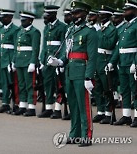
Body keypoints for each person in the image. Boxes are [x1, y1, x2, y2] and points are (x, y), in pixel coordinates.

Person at [48, 0, 98, 146]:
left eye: (77, 12)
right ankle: (74, 134)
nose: (74, 15)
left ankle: (86, 135)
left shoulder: (89, 31)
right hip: (70, 71)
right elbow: (67, 52)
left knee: (84, 106)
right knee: (73, 106)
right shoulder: (70, 30)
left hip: (82, 72)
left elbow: (92, 57)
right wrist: (59, 61)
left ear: (84, 14)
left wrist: (89, 77)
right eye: (73, 12)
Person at [106, 0, 137, 127]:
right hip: (123, 62)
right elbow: (119, 48)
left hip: (132, 62)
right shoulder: (125, 27)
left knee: (135, 90)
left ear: (135, 11)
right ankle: (126, 116)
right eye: (124, 10)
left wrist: (136, 63)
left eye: (127, 10)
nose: (125, 13)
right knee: (124, 90)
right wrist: (112, 62)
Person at [39, 5, 66, 118]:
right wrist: (42, 59)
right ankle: (49, 107)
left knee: (58, 85)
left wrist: (60, 61)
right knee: (48, 84)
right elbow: (44, 45)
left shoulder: (62, 27)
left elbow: (64, 45)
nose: (46, 17)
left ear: (54, 15)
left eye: (48, 15)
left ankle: (58, 109)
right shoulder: (46, 27)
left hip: (56, 59)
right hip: (47, 61)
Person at [11, 11, 41, 116]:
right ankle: (22, 105)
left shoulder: (34, 32)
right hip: (19, 60)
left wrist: (33, 62)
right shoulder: (19, 31)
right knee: (21, 84)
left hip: (28, 61)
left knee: (30, 85)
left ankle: (31, 107)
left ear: (30, 20)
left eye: (24, 20)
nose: (22, 22)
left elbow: (35, 49)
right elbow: (16, 48)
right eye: (21, 20)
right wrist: (14, 61)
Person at [93, 5, 118, 124]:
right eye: (99, 14)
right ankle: (100, 111)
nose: (99, 17)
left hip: (105, 58)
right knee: (97, 88)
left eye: (102, 15)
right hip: (98, 60)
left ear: (108, 16)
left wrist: (100, 34)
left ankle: (109, 113)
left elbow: (109, 44)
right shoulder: (100, 29)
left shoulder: (112, 30)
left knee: (107, 88)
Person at [0, 9, 20, 113]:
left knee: (13, 83)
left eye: (4, 17)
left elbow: (17, 47)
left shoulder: (15, 30)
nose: (2, 19)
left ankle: (16, 104)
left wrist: (13, 61)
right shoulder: (2, 30)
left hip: (10, 59)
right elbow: (0, 48)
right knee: (4, 83)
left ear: (10, 17)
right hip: (3, 59)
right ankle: (5, 103)